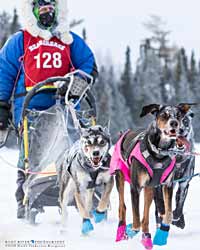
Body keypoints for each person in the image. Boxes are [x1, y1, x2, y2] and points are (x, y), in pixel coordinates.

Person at [0, 0, 98, 219]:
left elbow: (89, 65)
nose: (47, 12)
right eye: (42, 8)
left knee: (72, 145)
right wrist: (2, 106)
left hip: (65, 104)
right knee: (31, 149)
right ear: (33, 12)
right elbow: (4, 73)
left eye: (51, 8)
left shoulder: (69, 40)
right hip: (29, 105)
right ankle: (24, 194)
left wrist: (77, 81)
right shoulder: (20, 40)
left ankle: (82, 189)